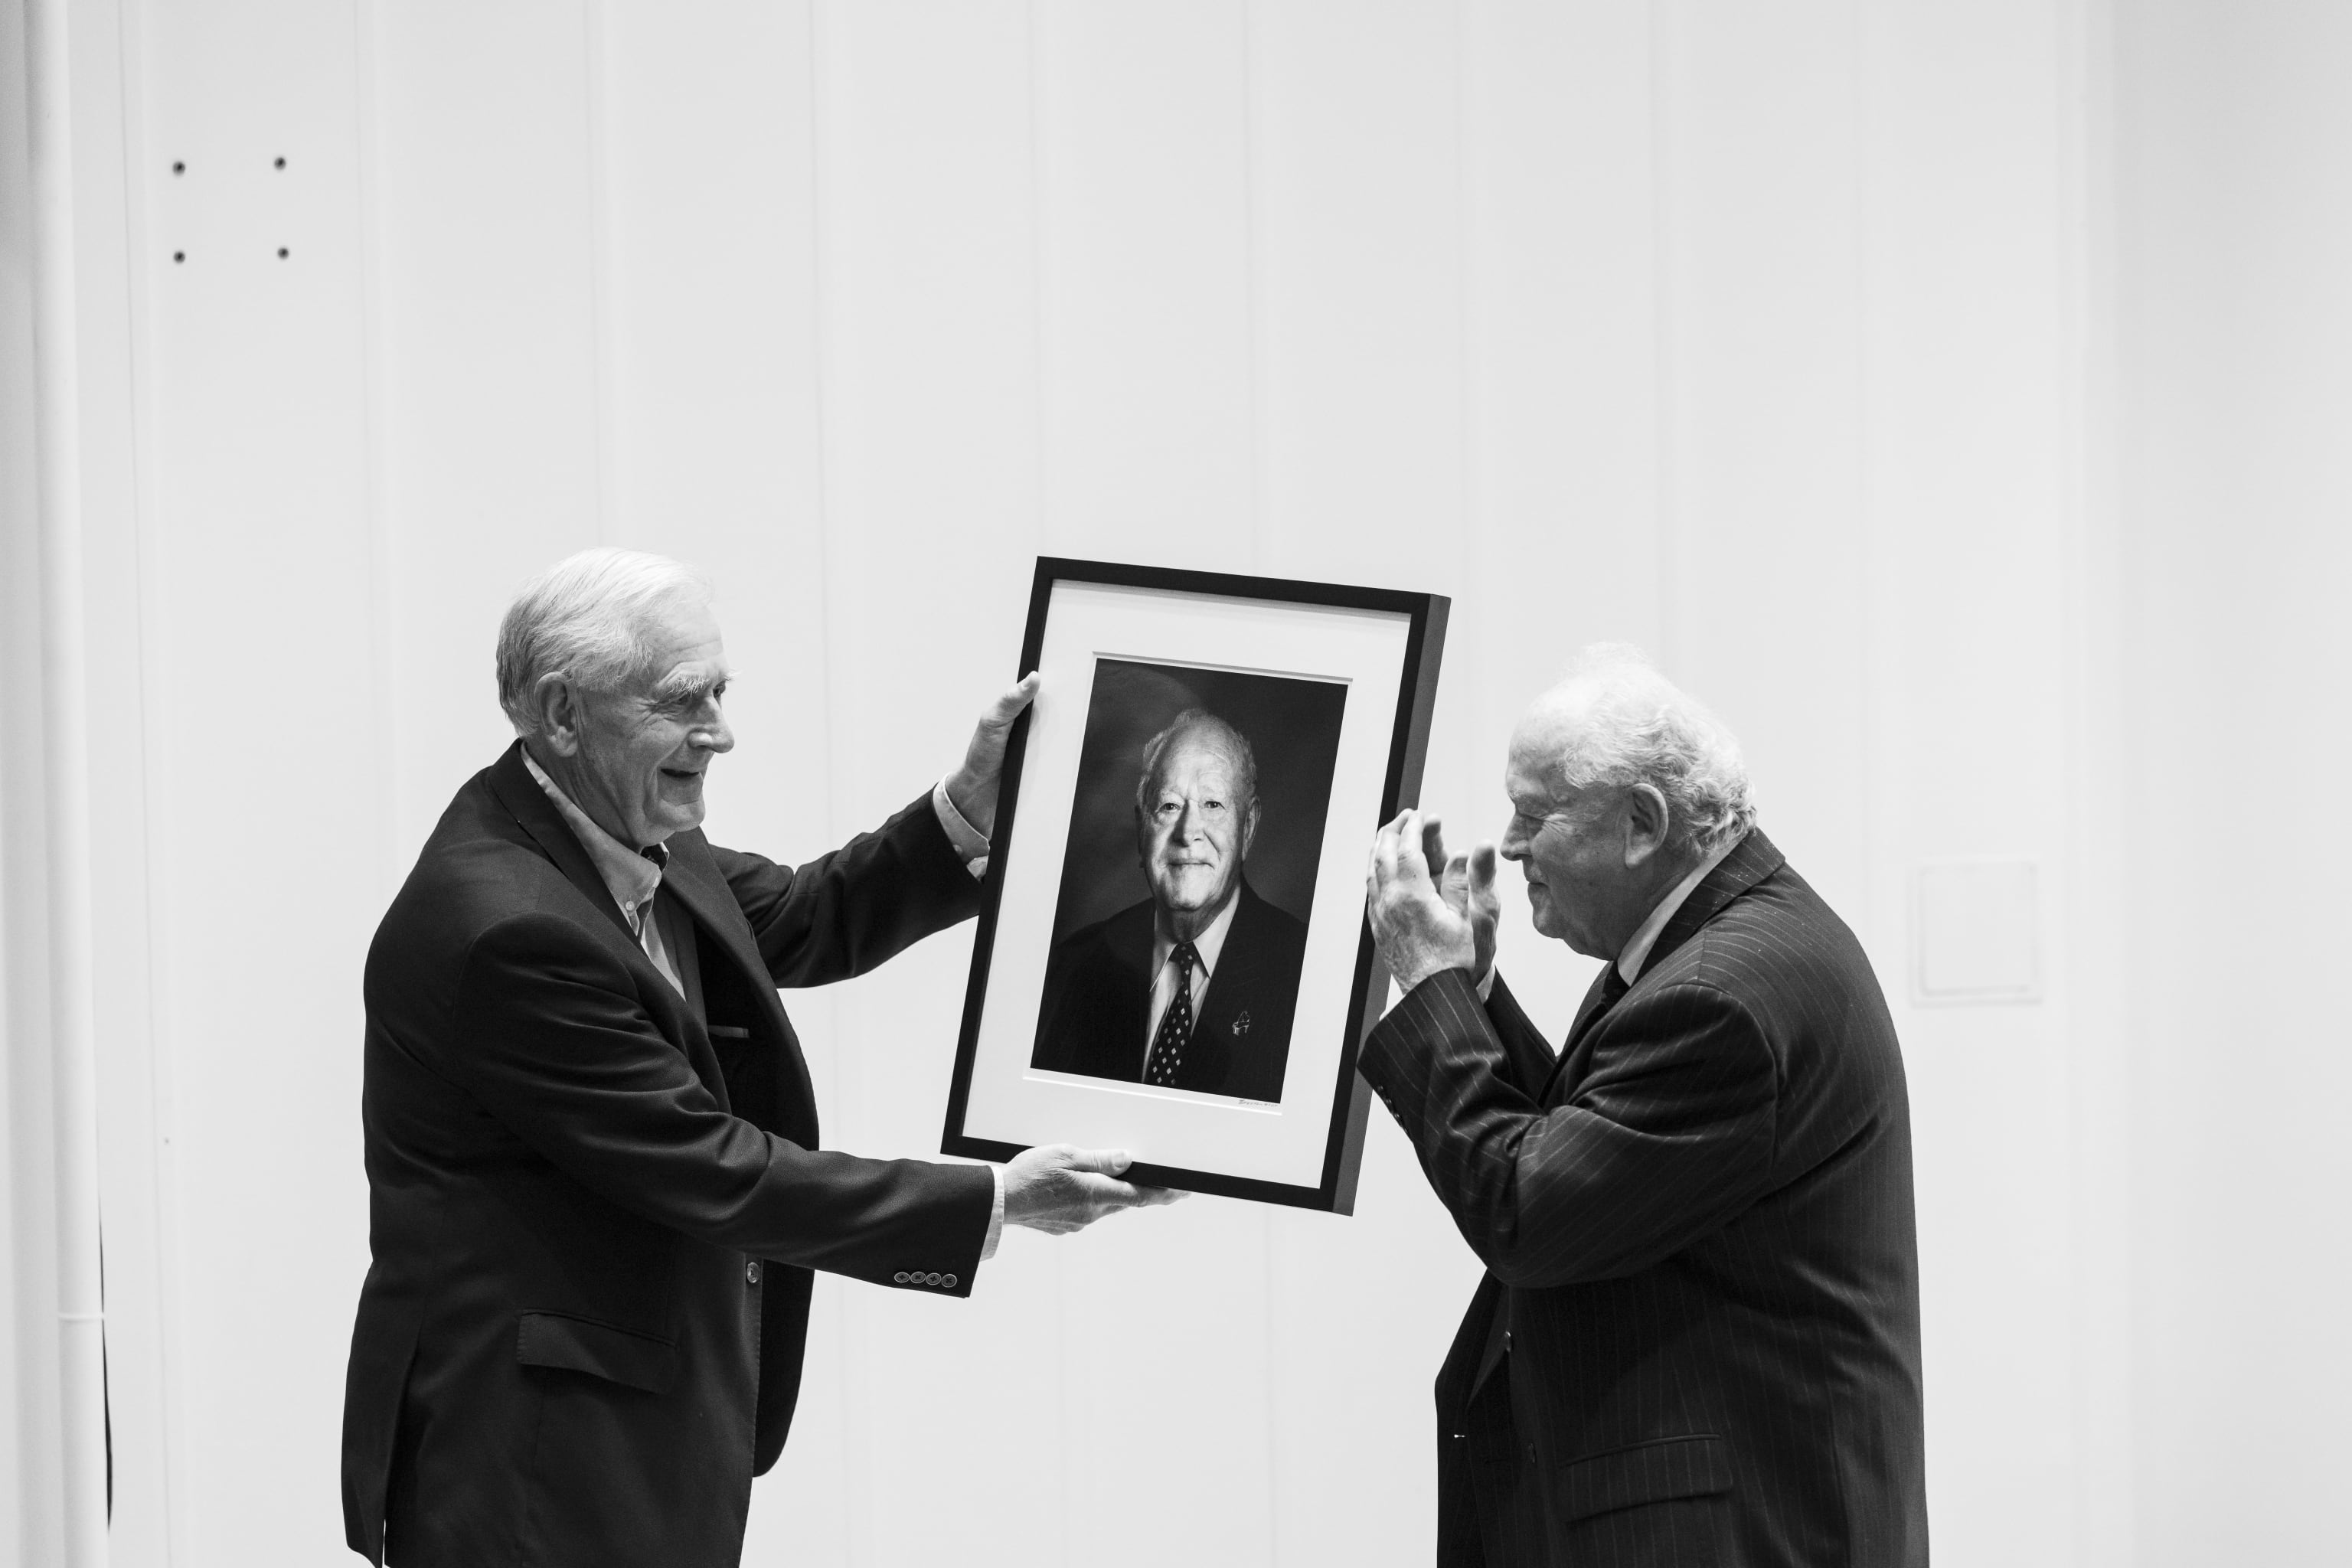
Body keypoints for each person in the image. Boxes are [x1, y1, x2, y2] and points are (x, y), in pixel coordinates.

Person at [340, 548, 1174, 1567]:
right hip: (532, 1466)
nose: (722, 734)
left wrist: (968, 804)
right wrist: (994, 1203)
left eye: (720, 693)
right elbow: (712, 1167)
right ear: (562, 713)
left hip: (627, 1428)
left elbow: (808, 915)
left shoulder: (615, 823)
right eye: (684, 703)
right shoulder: (506, 930)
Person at [1360, 645, 1927, 1566]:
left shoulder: (1725, 993)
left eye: (1535, 812)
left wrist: (1427, 987)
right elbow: (1591, 1147)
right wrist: (1471, 987)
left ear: (1642, 822)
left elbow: (1530, 1208)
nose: (1507, 844)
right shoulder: (1714, 946)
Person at [1031, 708, 1308, 1102]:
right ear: (1142, 828)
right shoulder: (1073, 968)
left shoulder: (1305, 974)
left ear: (1247, 828)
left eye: (1213, 805)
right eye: (1169, 807)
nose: (1187, 832)